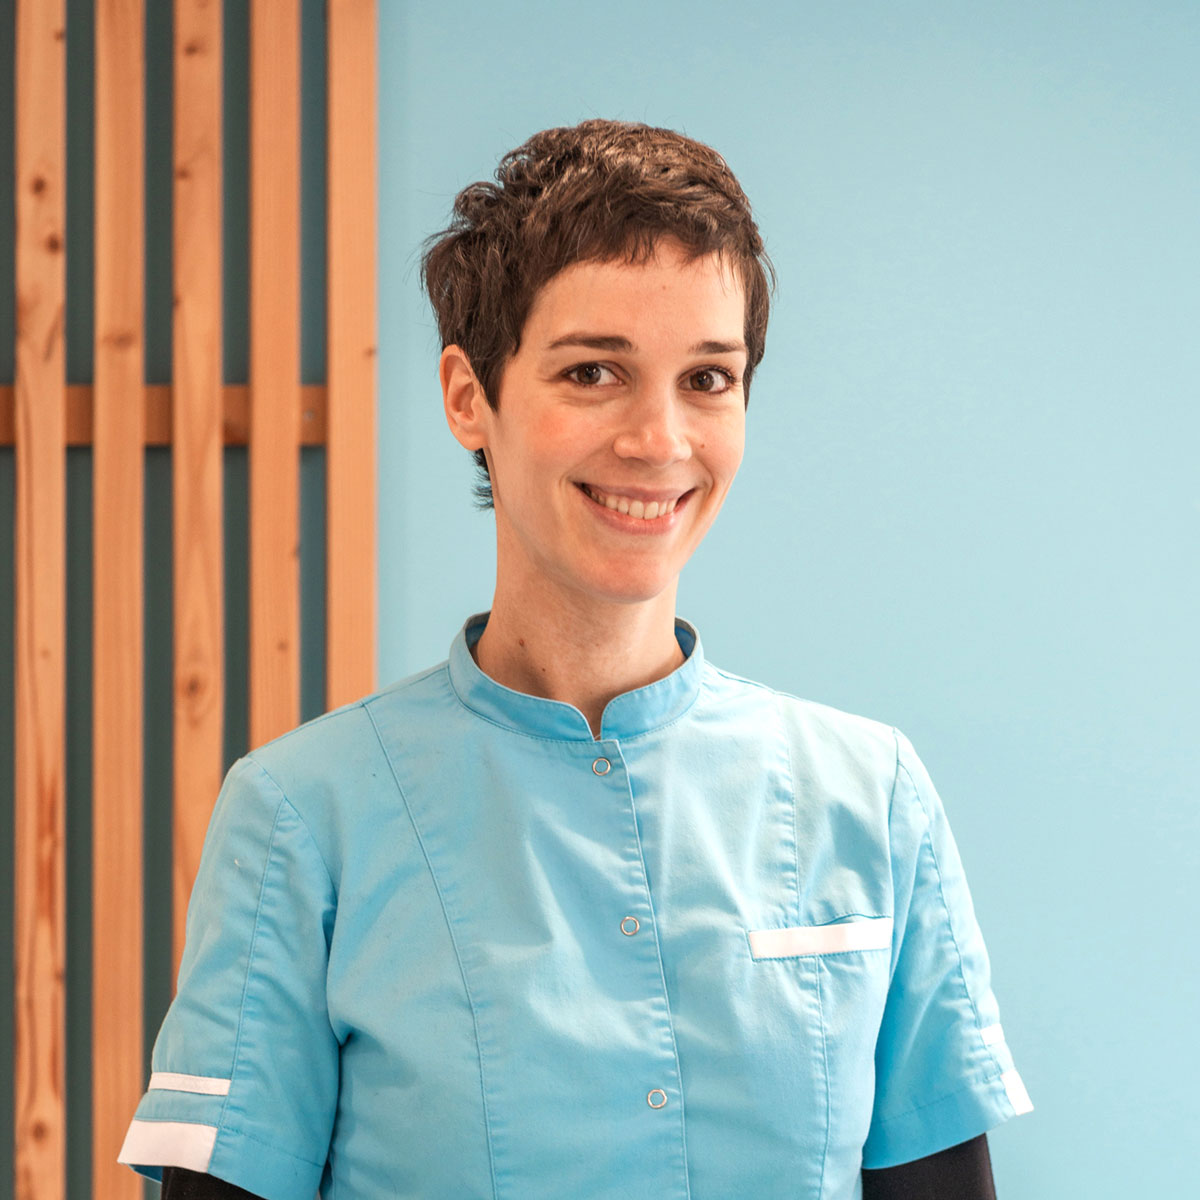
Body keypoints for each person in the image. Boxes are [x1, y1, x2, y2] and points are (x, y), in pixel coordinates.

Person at [119, 120, 1031, 1200]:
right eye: (594, 371)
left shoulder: (870, 796)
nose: (660, 440)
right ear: (470, 397)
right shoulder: (303, 820)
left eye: (708, 377)